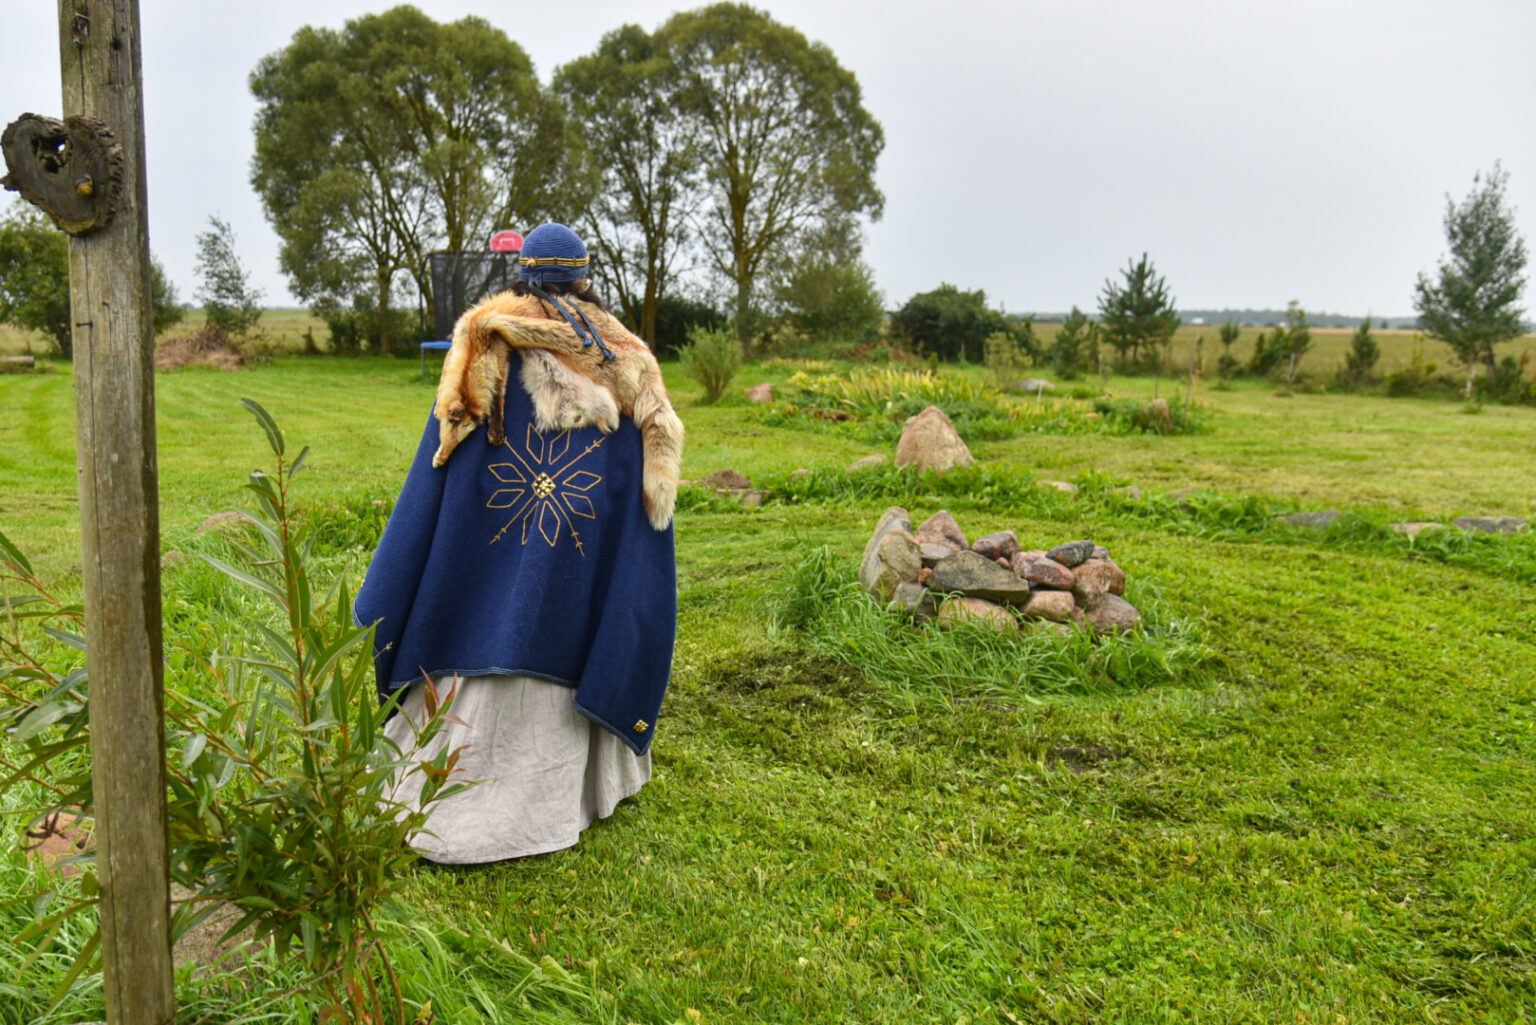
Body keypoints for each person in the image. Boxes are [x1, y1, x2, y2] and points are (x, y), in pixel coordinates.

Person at [355, 223, 679, 864]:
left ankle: (441, 784)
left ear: (523, 272)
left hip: (462, 626)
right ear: (584, 276)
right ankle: (567, 790)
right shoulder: (627, 365)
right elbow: (639, 500)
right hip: (573, 600)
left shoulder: (478, 350)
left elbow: (434, 481)